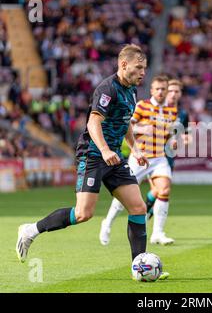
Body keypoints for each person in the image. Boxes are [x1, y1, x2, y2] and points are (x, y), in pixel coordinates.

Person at [16, 44, 152, 270]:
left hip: (114, 157)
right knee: (83, 214)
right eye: (139, 67)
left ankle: (140, 266)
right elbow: (93, 121)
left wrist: (135, 149)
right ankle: (30, 230)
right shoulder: (107, 88)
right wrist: (105, 150)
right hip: (93, 154)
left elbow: (124, 120)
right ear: (124, 64)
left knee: (138, 207)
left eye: (144, 68)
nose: (143, 72)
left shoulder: (132, 90)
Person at [100, 75, 178, 248]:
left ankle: (158, 232)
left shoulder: (171, 110)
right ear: (152, 90)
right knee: (124, 196)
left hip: (159, 158)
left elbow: (170, 132)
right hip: (139, 157)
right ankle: (107, 223)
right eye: (157, 89)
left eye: (163, 89)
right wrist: (143, 128)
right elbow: (126, 125)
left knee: (164, 189)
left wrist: (172, 140)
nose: (160, 92)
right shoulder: (142, 106)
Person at [145, 79, 189, 220]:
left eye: (176, 91)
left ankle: (146, 216)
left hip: (169, 157)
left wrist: (182, 140)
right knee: (159, 190)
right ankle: (144, 216)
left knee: (160, 191)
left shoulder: (182, 114)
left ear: (180, 94)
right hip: (153, 155)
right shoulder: (157, 110)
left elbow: (186, 135)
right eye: (170, 91)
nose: (173, 94)